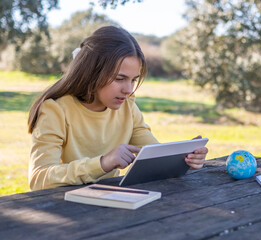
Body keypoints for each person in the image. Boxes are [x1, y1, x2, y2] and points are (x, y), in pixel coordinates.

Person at [28, 26, 208, 191]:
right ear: (91, 72)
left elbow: (151, 152)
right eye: (119, 79)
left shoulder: (127, 106)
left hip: (113, 202)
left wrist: (182, 159)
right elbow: (38, 178)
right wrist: (103, 163)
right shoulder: (55, 110)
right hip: (66, 206)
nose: (128, 90)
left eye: (133, 80)